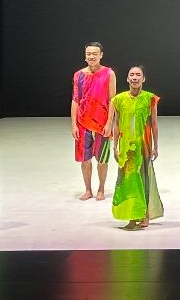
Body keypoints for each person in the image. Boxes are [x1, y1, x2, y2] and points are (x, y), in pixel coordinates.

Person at [108, 65, 163, 229]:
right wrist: (115, 146)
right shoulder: (118, 99)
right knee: (128, 181)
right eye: (131, 75)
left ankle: (144, 215)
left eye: (138, 75)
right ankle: (132, 216)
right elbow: (116, 124)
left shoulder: (150, 98)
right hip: (126, 149)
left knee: (143, 179)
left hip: (143, 146)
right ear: (127, 79)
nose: (134, 77)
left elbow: (154, 123)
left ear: (143, 79)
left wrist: (156, 146)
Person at [71, 42, 115, 201]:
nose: (91, 56)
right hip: (83, 123)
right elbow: (75, 100)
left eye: (94, 53)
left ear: (101, 55)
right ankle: (88, 189)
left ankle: (101, 189)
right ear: (85, 55)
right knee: (85, 159)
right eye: (88, 53)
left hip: (102, 123)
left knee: (102, 159)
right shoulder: (79, 75)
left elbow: (112, 100)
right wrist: (74, 124)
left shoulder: (109, 74)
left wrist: (109, 123)